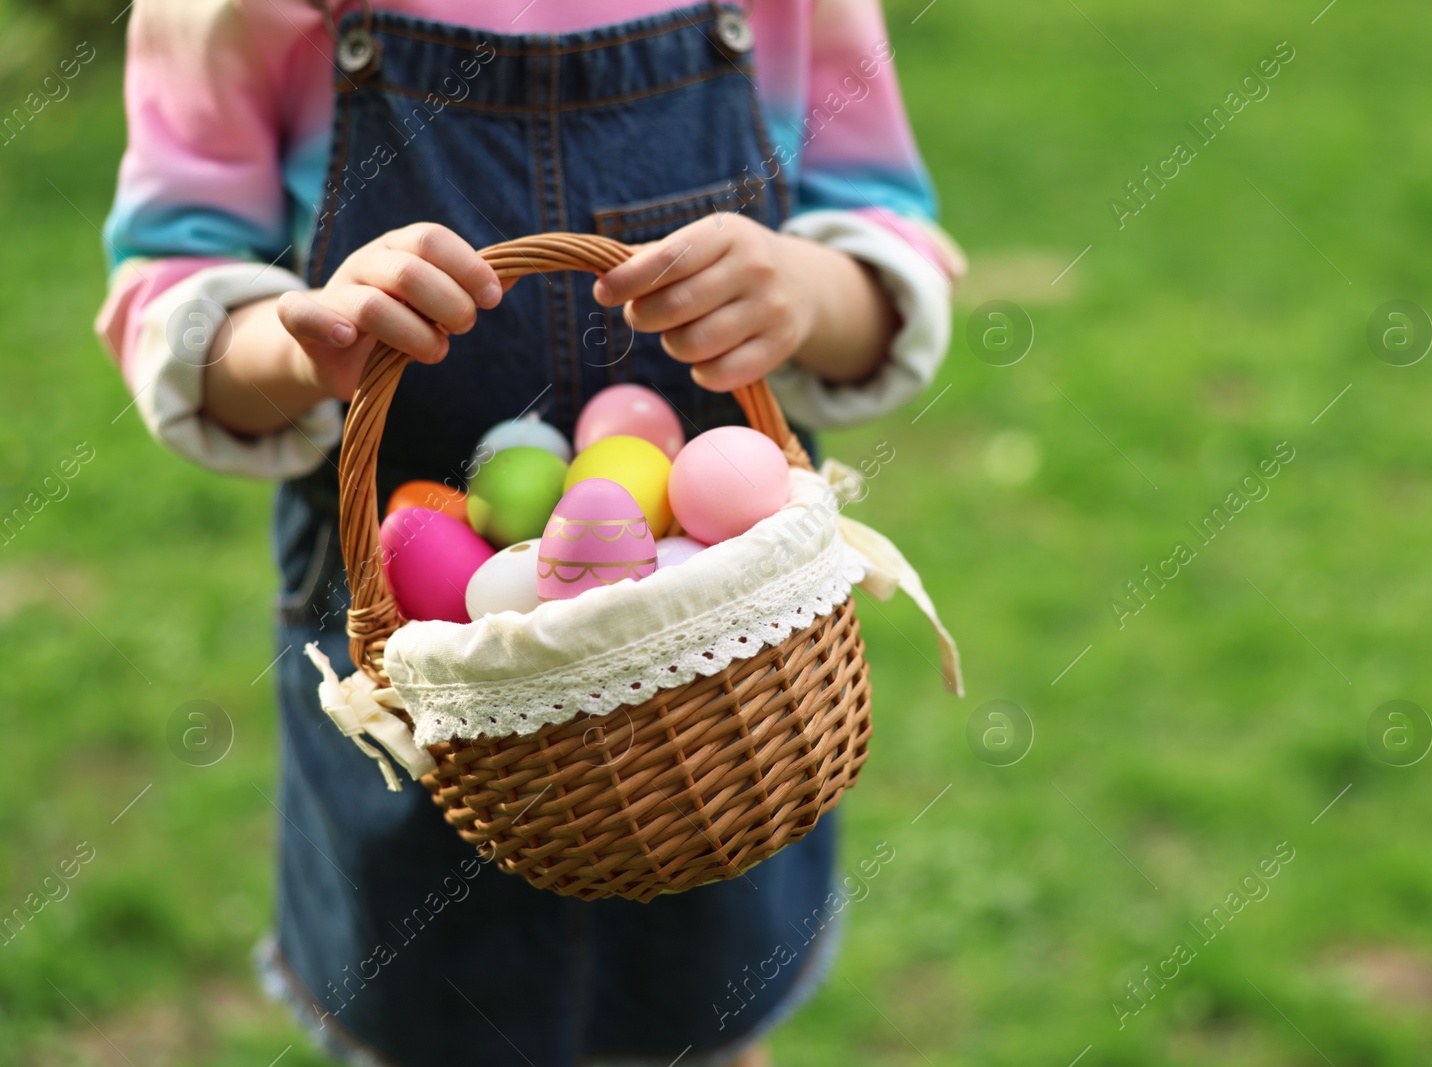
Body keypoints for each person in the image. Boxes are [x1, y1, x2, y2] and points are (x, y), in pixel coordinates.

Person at [96, 1, 961, 1064]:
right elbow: (167, 287)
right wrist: (292, 345)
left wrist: (809, 290)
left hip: (719, 686)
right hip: (426, 672)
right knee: (437, 1024)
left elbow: (885, 230)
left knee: (696, 1024)